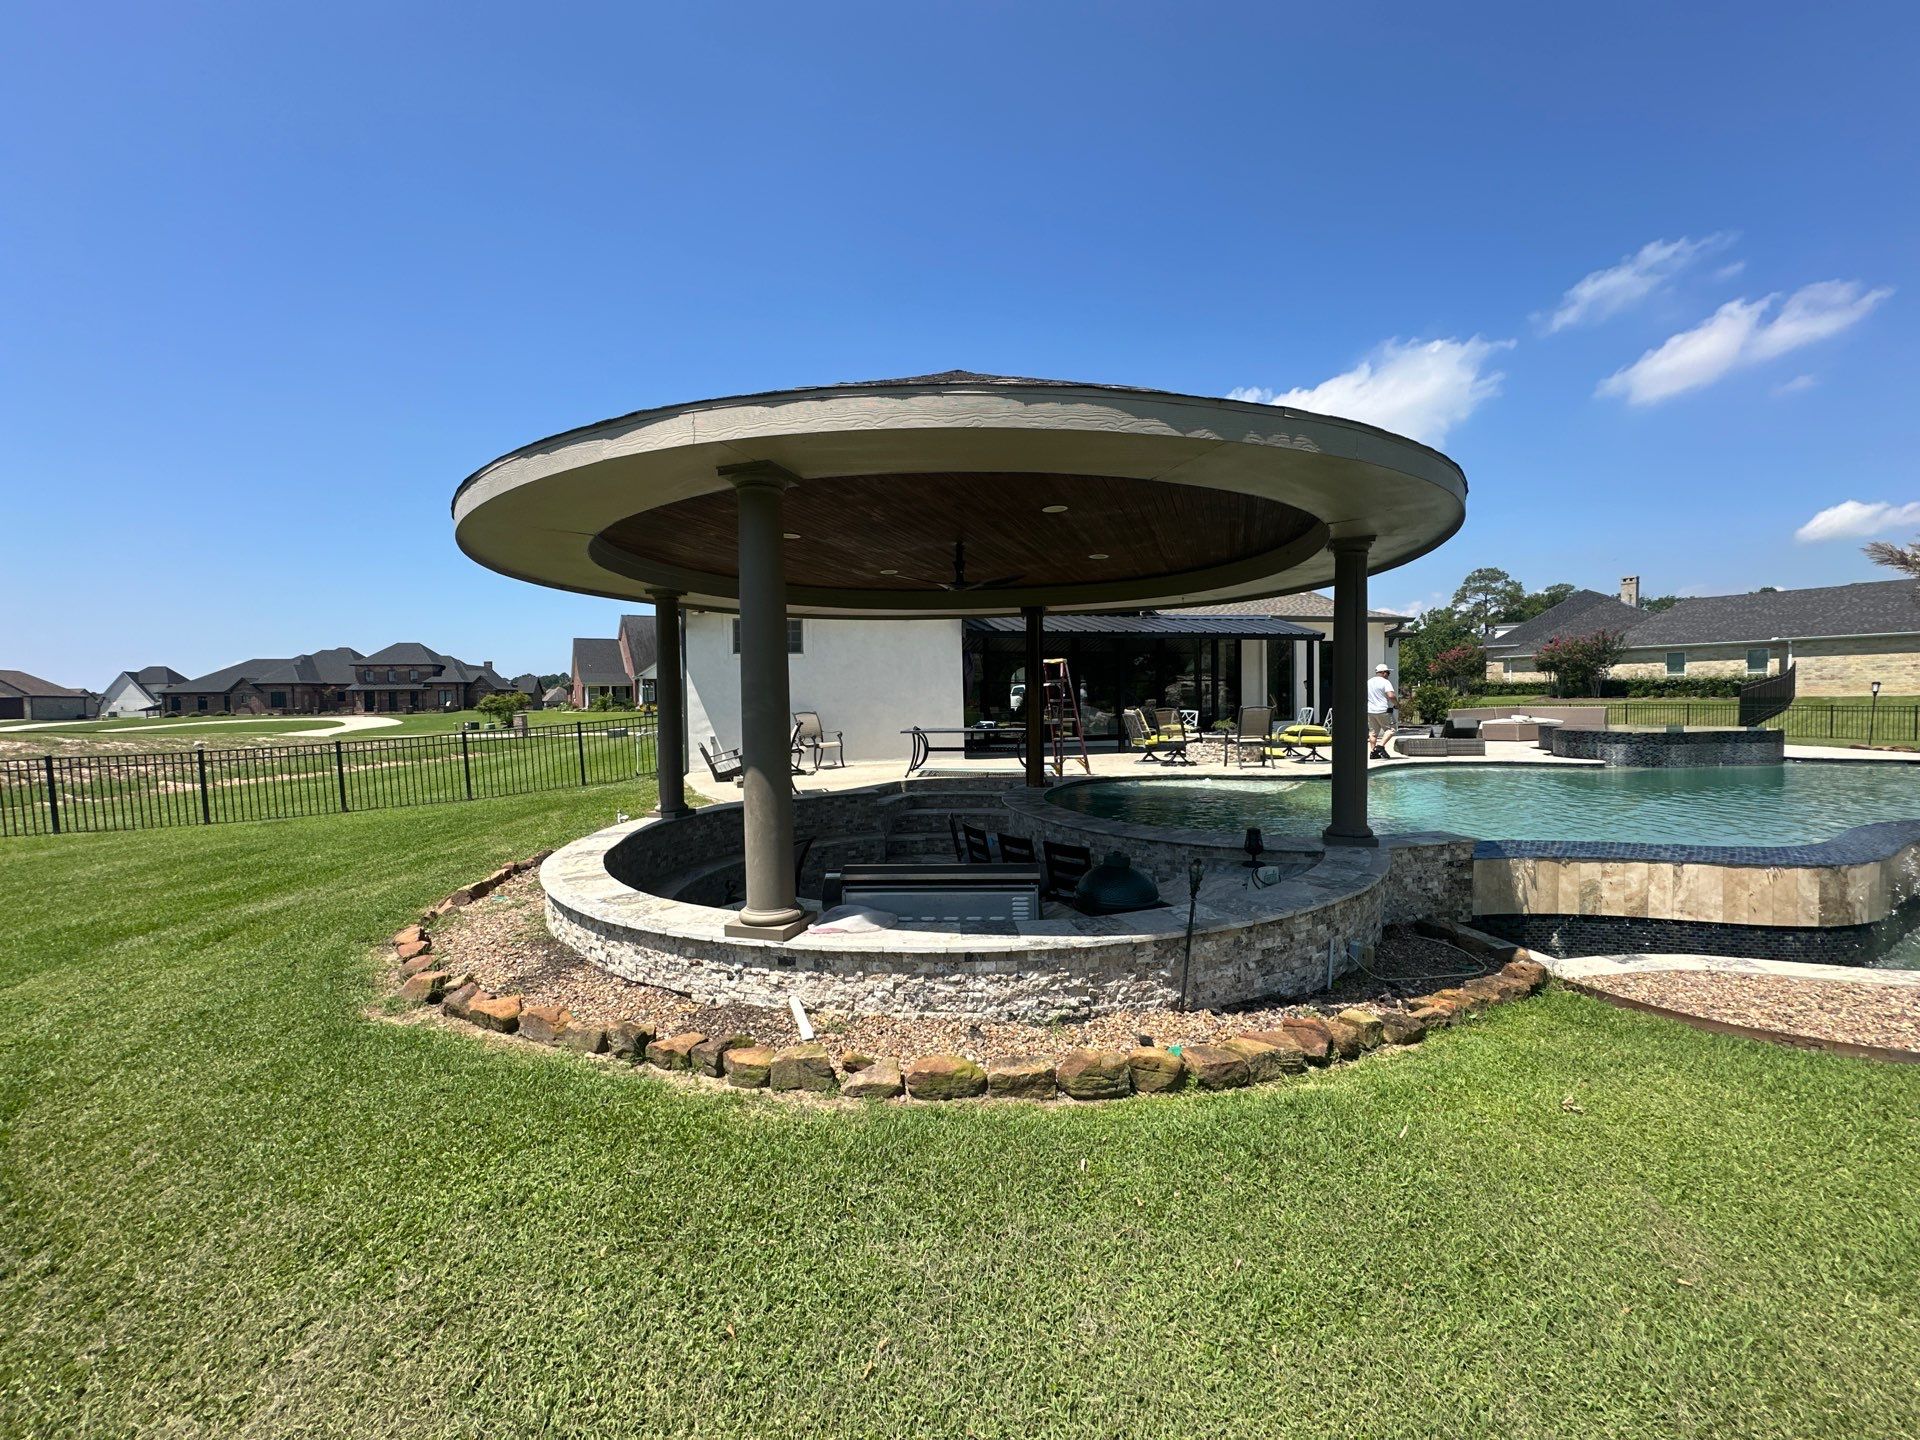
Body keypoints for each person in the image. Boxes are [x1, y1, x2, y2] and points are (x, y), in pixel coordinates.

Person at [1365, 664, 1397, 759]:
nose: (1388, 674)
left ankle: (1373, 752)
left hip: (1370, 711)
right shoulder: (1385, 682)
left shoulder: (1368, 682)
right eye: (1388, 672)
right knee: (1391, 729)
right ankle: (1380, 746)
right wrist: (1397, 704)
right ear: (1383, 673)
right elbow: (1391, 696)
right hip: (1383, 710)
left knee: (1373, 733)